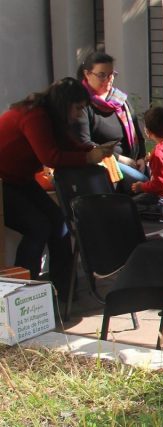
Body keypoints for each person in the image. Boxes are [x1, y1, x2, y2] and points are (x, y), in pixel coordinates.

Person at [0, 78, 116, 306]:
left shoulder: (51, 115)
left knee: (59, 224)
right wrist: (87, 157)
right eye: (77, 108)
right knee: (39, 227)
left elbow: (67, 144)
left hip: (20, 179)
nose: (78, 115)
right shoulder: (35, 115)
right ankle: (22, 295)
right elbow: (50, 157)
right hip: (4, 182)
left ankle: (64, 291)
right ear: (65, 104)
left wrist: (93, 149)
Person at [75, 51, 149, 190]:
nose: (108, 80)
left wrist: (141, 158)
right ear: (87, 74)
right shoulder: (82, 104)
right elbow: (85, 143)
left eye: (111, 75)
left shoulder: (120, 101)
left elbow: (138, 135)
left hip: (132, 161)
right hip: (104, 162)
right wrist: (120, 159)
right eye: (102, 75)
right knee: (145, 185)